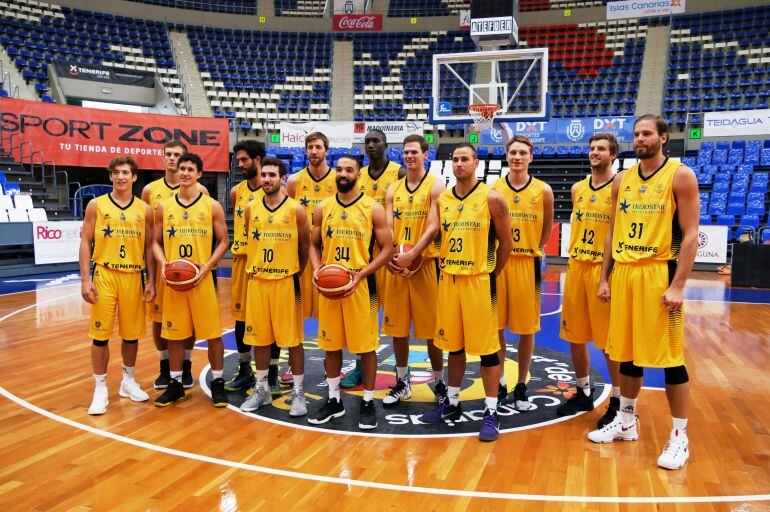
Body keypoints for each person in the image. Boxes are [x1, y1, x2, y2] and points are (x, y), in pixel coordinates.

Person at [588, 115, 699, 471]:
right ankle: (627, 422)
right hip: (625, 273)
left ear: (663, 138)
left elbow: (692, 233)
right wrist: (606, 277)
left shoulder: (680, 176)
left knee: (670, 358)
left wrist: (679, 284)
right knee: (628, 354)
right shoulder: (622, 179)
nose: (640, 139)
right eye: (636, 134)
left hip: (659, 271)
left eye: (647, 133)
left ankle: (680, 436)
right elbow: (611, 233)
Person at [420, 144, 512, 442]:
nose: (459, 164)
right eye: (455, 160)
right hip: (449, 280)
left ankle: (491, 411)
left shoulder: (492, 198)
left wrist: (491, 274)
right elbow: (434, 232)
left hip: (479, 282)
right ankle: (452, 404)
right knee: (453, 347)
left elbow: (506, 244)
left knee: (487, 351)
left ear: (476, 163)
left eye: (465, 159)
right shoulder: (442, 199)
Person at [307, 155, 393, 430]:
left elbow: (388, 248)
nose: (343, 174)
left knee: (366, 348)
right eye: (340, 169)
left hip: (361, 286)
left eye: (349, 170)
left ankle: (368, 401)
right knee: (330, 346)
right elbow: (313, 244)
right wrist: (317, 268)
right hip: (330, 286)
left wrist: (362, 274)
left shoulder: (373, 209)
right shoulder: (323, 207)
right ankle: (334, 399)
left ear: (359, 174)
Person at [152, 153, 230, 408]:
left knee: (212, 334)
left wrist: (207, 266)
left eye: (190, 169)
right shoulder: (164, 206)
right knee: (175, 335)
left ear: (199, 174)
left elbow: (224, 241)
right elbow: (154, 242)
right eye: (182, 169)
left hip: (202, 280)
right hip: (174, 281)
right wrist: (164, 264)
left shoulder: (211, 206)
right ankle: (175, 384)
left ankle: (218, 382)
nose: (185, 173)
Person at [80, 156, 155, 415]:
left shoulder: (145, 210)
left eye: (126, 173)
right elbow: (85, 242)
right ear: (110, 176)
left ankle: (128, 380)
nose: (121, 177)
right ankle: (100, 387)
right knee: (100, 336)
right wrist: (85, 279)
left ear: (134, 177)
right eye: (116, 172)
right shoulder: (96, 205)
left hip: (133, 276)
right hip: (105, 274)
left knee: (131, 335)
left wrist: (151, 281)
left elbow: (148, 247)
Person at [557, 133, 622, 427]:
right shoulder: (578, 188)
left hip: (602, 268)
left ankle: (620, 401)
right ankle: (583, 390)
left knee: (609, 342)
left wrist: (606, 276)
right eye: (592, 148)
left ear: (614, 155)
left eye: (601, 149)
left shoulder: (619, 187)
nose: (595, 152)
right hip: (576, 266)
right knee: (575, 335)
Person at [240, 157, 310, 416]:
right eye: (264, 175)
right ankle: (262, 389)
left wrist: (294, 272)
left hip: (285, 282)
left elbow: (305, 246)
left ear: (283, 178)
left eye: (272, 175)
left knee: (293, 340)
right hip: (258, 281)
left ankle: (299, 393)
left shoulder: (296, 210)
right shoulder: (251, 209)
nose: (266, 179)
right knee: (260, 340)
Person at [382, 134, 446, 406]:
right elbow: (386, 228)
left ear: (425, 155)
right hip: (397, 267)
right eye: (406, 152)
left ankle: (440, 382)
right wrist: (393, 255)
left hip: (425, 266)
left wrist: (412, 254)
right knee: (397, 329)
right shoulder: (392, 189)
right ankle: (402, 381)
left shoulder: (436, 185)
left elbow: (433, 226)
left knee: (431, 331)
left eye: (414, 152)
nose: (409, 156)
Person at [341, 129, 406, 389]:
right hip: (365, 259)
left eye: (375, 141)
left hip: (392, 256)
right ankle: (360, 366)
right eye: (367, 142)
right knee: (365, 318)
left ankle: (404, 373)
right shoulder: (359, 175)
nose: (370, 145)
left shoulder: (399, 172)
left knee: (397, 319)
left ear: (386, 144)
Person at [141, 141, 209, 390]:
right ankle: (164, 366)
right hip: (162, 265)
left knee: (187, 319)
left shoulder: (201, 190)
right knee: (158, 320)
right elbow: (151, 238)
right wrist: (150, 274)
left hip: (190, 266)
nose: (172, 159)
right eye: (168, 155)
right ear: (163, 158)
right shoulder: (150, 190)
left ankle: (187, 365)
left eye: (177, 156)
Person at [494, 135, 554, 410]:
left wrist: (535, 248)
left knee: (527, 329)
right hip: (500, 264)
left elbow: (547, 228)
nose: (517, 157)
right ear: (507, 156)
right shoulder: (494, 189)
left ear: (531, 157)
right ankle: (501, 383)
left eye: (522, 153)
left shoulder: (543, 191)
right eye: (513, 152)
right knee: (497, 328)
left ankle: (521, 385)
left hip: (527, 264)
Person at [282, 132, 336, 386]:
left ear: (327, 151)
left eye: (318, 147)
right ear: (305, 152)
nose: (313, 151)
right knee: (295, 314)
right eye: (309, 147)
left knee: (329, 315)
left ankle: (331, 365)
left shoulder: (338, 179)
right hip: (301, 255)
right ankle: (294, 366)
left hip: (329, 256)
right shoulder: (293, 181)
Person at [224, 140, 265, 393]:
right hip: (241, 261)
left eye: (244, 160)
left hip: (266, 265)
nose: (239, 165)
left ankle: (270, 371)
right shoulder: (236, 192)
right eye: (238, 160)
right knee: (241, 318)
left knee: (267, 319)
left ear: (258, 159)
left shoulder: (273, 189)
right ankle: (245, 369)